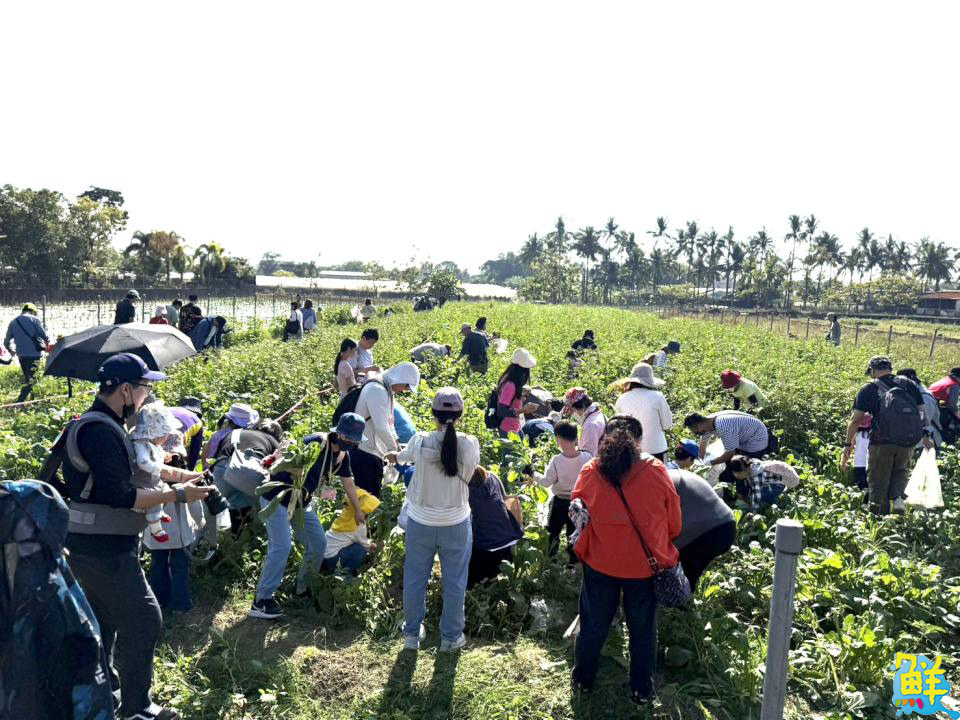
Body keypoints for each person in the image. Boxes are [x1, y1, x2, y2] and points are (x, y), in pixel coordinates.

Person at [61, 353, 211, 720]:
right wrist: (177, 496)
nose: (147, 397)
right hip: (101, 548)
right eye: (144, 388)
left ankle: (106, 695)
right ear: (126, 390)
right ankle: (136, 708)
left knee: (106, 620)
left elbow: (142, 472)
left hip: (96, 544)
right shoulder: (100, 431)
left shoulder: (104, 426)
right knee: (145, 618)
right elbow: (122, 496)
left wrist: (182, 478)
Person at [569, 415, 681, 703]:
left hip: (600, 561)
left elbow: (578, 514)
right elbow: (674, 523)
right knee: (642, 629)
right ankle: (641, 690)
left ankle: (583, 679)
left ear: (605, 439)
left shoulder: (590, 470)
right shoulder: (655, 470)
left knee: (593, 623)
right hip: (644, 567)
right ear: (639, 441)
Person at [387, 387, 480, 652]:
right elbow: (470, 468)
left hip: (421, 522)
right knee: (455, 581)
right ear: (460, 415)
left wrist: (394, 455)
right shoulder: (470, 443)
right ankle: (451, 637)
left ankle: (411, 635)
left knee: (415, 578)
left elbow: (403, 457)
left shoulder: (420, 440)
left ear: (433, 414)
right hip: (456, 522)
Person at [250, 414, 366, 619]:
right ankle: (262, 600)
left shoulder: (342, 457)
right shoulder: (317, 442)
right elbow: (286, 459)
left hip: (301, 503)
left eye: (356, 440)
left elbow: (348, 482)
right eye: (349, 438)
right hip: (277, 498)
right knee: (281, 546)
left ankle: (301, 589)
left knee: (318, 544)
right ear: (338, 433)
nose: (352, 443)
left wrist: (357, 510)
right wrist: (294, 468)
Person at [840, 356, 932, 515]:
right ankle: (898, 501)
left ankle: (878, 517)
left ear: (872, 370)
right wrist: (925, 434)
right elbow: (923, 413)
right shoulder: (908, 384)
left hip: (882, 442)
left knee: (878, 479)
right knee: (901, 471)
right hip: (908, 441)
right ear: (890, 368)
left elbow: (855, 420)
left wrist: (848, 445)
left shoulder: (869, 389)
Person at [144, 428, 206, 614]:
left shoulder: (148, 478)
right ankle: (180, 604)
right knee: (180, 568)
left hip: (156, 533)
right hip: (179, 533)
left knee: (158, 566)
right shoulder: (184, 481)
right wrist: (201, 522)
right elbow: (195, 505)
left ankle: (159, 601)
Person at [352, 362, 421, 498]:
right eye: (406, 386)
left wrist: (396, 448)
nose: (404, 390)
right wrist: (394, 453)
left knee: (370, 496)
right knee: (367, 497)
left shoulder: (386, 389)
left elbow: (390, 423)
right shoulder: (376, 390)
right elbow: (381, 427)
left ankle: (362, 518)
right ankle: (359, 519)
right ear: (400, 378)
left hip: (373, 451)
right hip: (365, 451)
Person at [527, 420, 591, 562]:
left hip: (560, 502)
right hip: (579, 502)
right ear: (576, 438)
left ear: (559, 439)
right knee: (574, 533)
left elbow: (546, 482)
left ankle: (550, 561)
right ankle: (572, 563)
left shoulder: (556, 460)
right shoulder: (587, 458)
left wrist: (532, 473)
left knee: (553, 534)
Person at [668, 468, 735, 592]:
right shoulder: (670, 474)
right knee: (688, 568)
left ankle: (682, 605)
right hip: (726, 522)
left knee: (685, 570)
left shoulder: (660, 483)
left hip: (708, 531)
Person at [130, 403, 182, 544]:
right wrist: (159, 469)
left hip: (152, 480)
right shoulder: (141, 444)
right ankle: (155, 527)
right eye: (165, 433)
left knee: (164, 489)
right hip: (143, 483)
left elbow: (155, 453)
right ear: (154, 431)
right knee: (156, 496)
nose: (166, 437)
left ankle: (158, 513)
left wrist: (164, 455)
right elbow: (143, 462)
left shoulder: (152, 443)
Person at [467, 465, 524, 588]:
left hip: (484, 547)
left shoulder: (464, 488)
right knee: (497, 580)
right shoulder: (492, 477)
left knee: (472, 582)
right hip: (507, 541)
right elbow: (505, 500)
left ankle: (478, 590)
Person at [611, 363, 673, 461]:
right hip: (656, 448)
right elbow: (667, 425)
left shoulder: (622, 399)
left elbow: (618, 427)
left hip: (632, 450)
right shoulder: (658, 397)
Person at [322, 487, 380, 576]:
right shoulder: (359, 525)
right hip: (332, 559)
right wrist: (374, 546)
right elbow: (366, 546)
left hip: (322, 556)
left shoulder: (345, 515)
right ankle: (345, 574)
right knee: (360, 549)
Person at [684, 410, 772, 468]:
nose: (694, 433)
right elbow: (703, 444)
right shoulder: (707, 423)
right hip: (747, 434)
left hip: (756, 439)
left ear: (698, 425)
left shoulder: (722, 425)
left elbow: (730, 453)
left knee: (742, 467)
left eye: (693, 430)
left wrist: (710, 463)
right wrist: (700, 460)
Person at [4, 302, 50, 403]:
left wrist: (11, 350)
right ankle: (19, 402)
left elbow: (6, 341)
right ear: (33, 311)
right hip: (34, 355)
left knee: (28, 377)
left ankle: (32, 399)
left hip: (21, 355)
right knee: (31, 379)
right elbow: (45, 336)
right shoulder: (35, 319)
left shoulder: (13, 322)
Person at [728, 455, 800, 510]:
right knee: (755, 492)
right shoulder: (752, 464)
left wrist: (753, 511)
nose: (736, 476)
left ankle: (772, 502)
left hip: (790, 480)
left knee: (762, 496)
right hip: (784, 475)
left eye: (737, 474)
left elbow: (757, 496)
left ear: (742, 471)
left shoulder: (756, 477)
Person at [494, 349, 538, 438]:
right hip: (508, 429)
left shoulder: (508, 376)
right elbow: (501, 411)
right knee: (509, 451)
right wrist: (523, 410)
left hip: (515, 426)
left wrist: (519, 397)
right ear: (523, 370)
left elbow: (507, 399)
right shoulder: (510, 385)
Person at [562, 387, 607, 457]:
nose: (573, 414)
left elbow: (588, 456)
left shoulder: (590, 425)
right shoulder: (597, 414)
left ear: (576, 408)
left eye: (572, 411)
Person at [927, 367, 960, 443]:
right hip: (934, 408)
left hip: (928, 404)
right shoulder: (954, 385)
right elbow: (952, 406)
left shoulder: (945, 380)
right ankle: (950, 442)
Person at [852, 414, 871, 493]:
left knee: (860, 488)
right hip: (870, 463)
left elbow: (852, 445)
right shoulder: (873, 433)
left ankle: (862, 502)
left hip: (858, 463)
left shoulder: (856, 433)